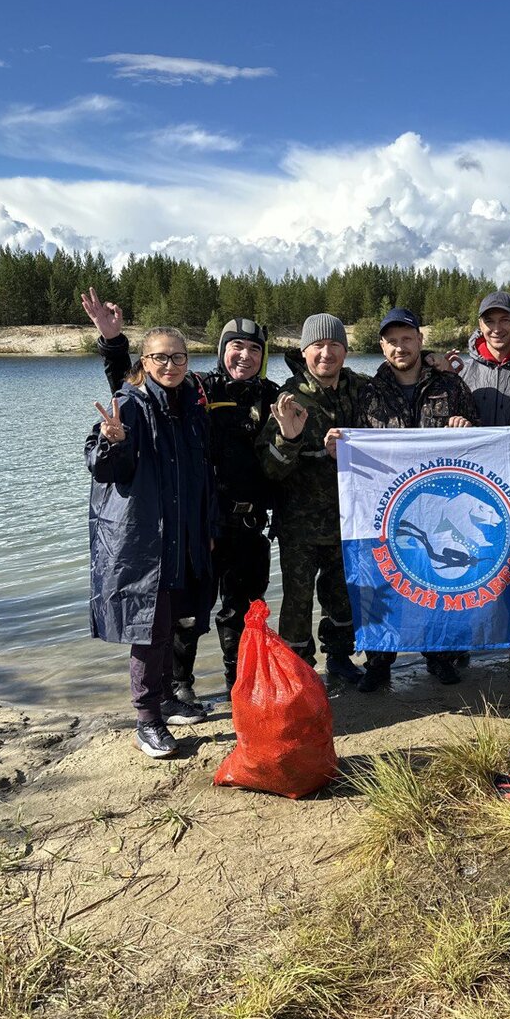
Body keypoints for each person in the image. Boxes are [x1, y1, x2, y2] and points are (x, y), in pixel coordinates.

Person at [82, 289, 280, 705]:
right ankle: (178, 684)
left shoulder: (274, 396)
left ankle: (239, 684)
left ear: (264, 356)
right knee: (187, 613)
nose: (244, 356)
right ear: (222, 351)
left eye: (254, 350)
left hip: (248, 524)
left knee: (244, 612)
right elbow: (136, 387)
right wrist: (114, 342)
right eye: (236, 347)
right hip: (200, 524)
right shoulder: (196, 390)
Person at [85, 326, 216, 758]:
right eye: (160, 357)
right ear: (144, 362)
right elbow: (105, 470)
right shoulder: (130, 405)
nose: (170, 365)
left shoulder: (190, 408)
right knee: (149, 628)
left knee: (174, 622)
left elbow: (199, 479)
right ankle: (147, 720)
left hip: (181, 538)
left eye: (178, 357)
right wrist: (112, 443)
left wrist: (206, 531)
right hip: (144, 542)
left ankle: (164, 698)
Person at [354, 307, 481, 692]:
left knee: (434, 579)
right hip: (386, 508)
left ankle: (438, 656)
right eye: (391, 341)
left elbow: (478, 445)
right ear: (381, 346)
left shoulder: (452, 386)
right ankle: (379, 661)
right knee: (381, 581)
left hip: (438, 504)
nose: (400, 347)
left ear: (420, 341)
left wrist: (466, 426)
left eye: (407, 338)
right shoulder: (367, 392)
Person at [256, 314, 364, 682]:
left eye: (335, 345)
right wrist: (289, 437)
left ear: (345, 351)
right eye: (318, 346)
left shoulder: (359, 389)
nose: (326, 353)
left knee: (342, 596)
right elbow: (270, 469)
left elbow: (400, 375)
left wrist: (433, 361)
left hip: (348, 522)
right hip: (299, 527)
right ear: (304, 352)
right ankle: (296, 670)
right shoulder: (286, 398)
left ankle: (339, 657)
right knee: (297, 603)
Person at [449, 290, 510, 425]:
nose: (496, 329)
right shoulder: (461, 371)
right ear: (480, 325)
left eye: (504, 320)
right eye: (489, 321)